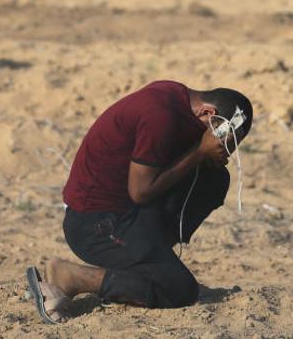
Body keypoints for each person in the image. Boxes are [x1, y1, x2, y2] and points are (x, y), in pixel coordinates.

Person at [29, 80, 253, 321]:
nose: (224, 150)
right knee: (180, 290)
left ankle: (151, 266)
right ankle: (70, 277)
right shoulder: (161, 116)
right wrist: (199, 151)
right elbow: (141, 191)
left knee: (214, 178)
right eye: (224, 140)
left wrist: (204, 156)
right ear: (208, 114)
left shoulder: (176, 97)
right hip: (94, 225)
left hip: (122, 212)